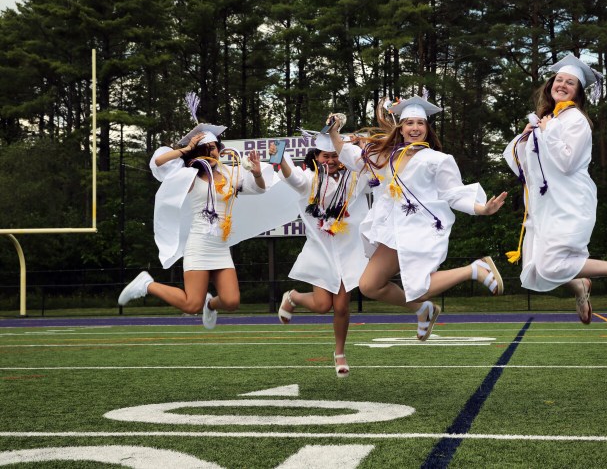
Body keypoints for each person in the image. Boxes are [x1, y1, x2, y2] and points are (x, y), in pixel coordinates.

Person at [330, 94, 508, 340]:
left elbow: (453, 194)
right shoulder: (386, 157)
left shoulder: (438, 160)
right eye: (409, 123)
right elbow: (349, 154)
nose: (415, 128)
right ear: (401, 128)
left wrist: (482, 209)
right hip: (392, 231)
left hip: (420, 229)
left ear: (426, 128)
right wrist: (333, 133)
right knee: (369, 285)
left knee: (420, 288)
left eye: (420, 123)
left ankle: (474, 270)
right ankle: (422, 311)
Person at [117, 94, 298, 329]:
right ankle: (147, 284)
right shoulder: (188, 176)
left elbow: (261, 189)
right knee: (190, 305)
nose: (211, 151)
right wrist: (186, 148)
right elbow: (159, 162)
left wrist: (255, 172)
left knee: (232, 301)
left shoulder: (231, 173)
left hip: (221, 245)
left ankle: (210, 305)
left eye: (214, 147)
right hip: (199, 243)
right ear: (196, 152)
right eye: (205, 148)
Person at [502, 53, 607, 324]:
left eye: (570, 82)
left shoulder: (575, 120)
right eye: (559, 80)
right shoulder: (546, 119)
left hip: (570, 201)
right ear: (550, 85)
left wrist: (546, 133)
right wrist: (525, 138)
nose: (562, 85)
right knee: (536, 271)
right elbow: (520, 164)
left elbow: (567, 162)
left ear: (578, 92)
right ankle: (580, 285)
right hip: (546, 205)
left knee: (551, 264)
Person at [271, 129, 370, 378]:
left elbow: (375, 165)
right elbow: (292, 178)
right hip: (321, 250)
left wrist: (364, 143)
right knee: (324, 305)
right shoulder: (310, 180)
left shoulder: (355, 177)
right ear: (316, 157)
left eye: (336, 155)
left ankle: (339, 352)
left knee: (342, 306)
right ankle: (293, 297)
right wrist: (280, 157)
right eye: (326, 156)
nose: (332, 160)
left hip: (349, 249)